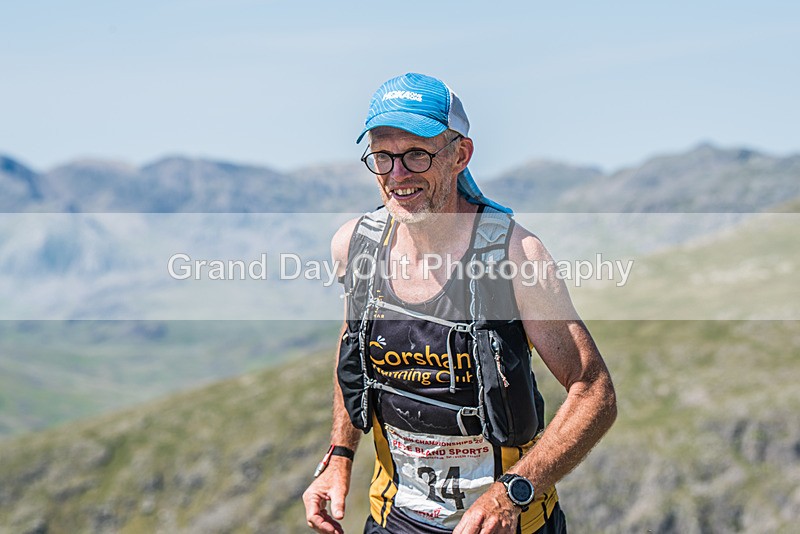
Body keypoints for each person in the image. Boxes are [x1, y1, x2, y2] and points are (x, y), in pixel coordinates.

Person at [303, 73, 616, 534]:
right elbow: (353, 353)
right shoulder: (356, 246)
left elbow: (594, 391)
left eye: (417, 154)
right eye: (382, 156)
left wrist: (512, 493)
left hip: (509, 526)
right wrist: (339, 455)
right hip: (394, 521)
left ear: (460, 155)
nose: (397, 175)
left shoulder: (514, 256)